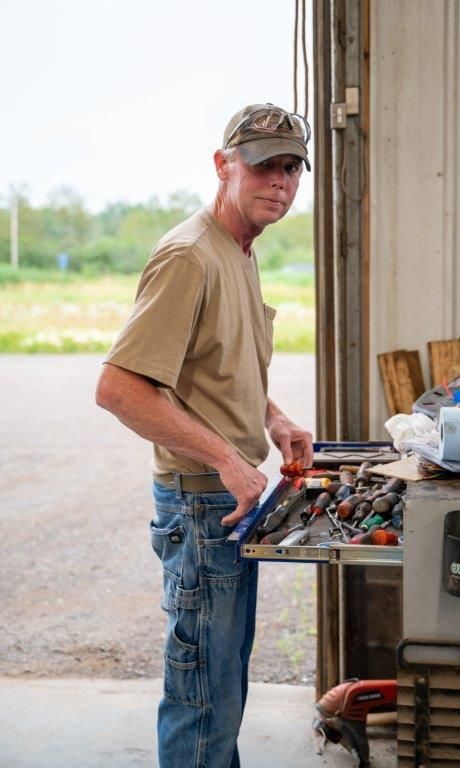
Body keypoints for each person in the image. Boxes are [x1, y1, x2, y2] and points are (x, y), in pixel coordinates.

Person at [95, 102, 314, 768]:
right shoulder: (190, 256)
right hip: (201, 510)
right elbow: (120, 388)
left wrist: (273, 421)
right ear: (223, 166)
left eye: (290, 167)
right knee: (202, 700)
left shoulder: (238, 252)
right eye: (261, 166)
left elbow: (212, 364)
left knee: (219, 689)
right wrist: (225, 457)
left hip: (228, 504)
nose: (278, 181)